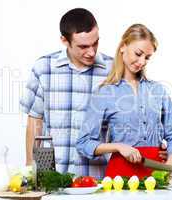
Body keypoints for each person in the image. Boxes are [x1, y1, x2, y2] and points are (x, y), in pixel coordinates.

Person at [76, 24, 172, 178]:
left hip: (157, 172)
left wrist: (169, 166)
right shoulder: (105, 93)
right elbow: (84, 142)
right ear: (123, 47)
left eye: (147, 57)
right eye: (138, 53)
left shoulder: (158, 90)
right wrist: (119, 147)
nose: (142, 62)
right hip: (121, 173)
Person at [19, 8, 113, 179]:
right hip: (51, 177)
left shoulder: (113, 70)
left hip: (97, 180)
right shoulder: (44, 68)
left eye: (95, 43)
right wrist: (30, 168)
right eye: (83, 46)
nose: (91, 52)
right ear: (65, 40)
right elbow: (34, 119)